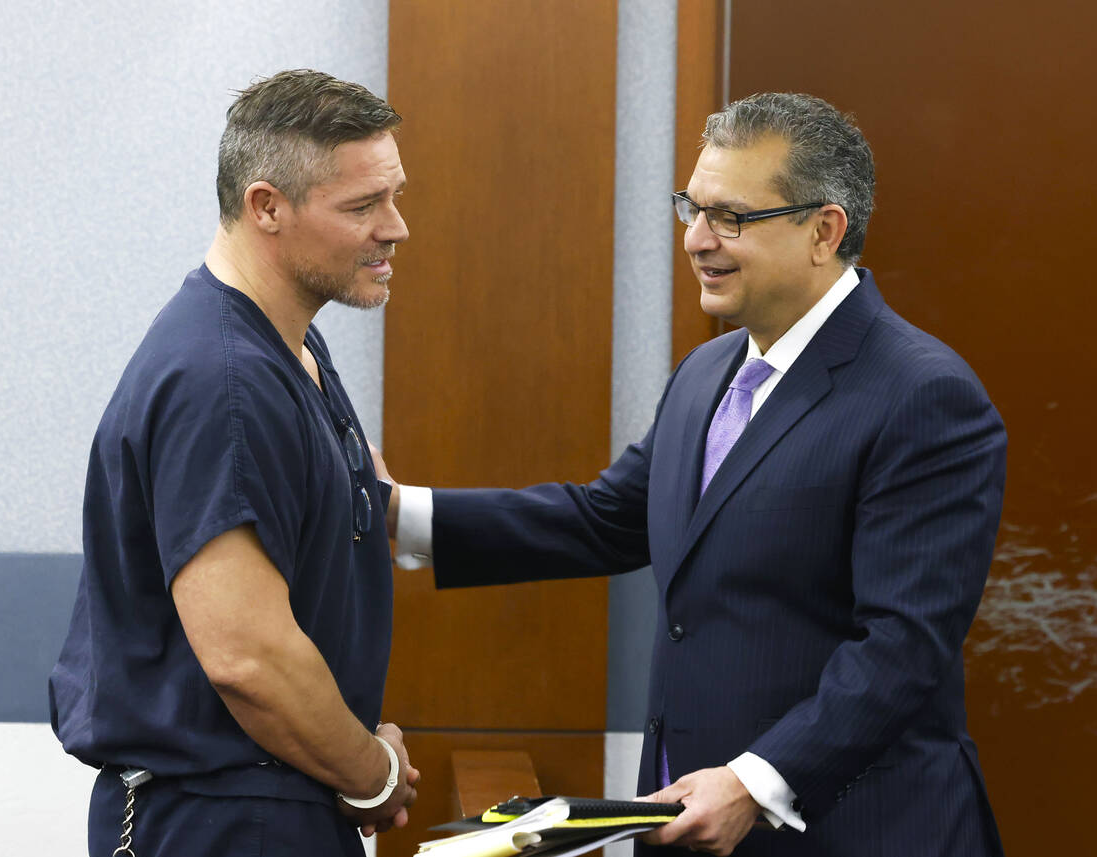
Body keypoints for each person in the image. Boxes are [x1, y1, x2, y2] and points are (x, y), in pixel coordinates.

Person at [384, 93, 1005, 856]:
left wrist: (752, 780)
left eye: (730, 217)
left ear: (825, 230)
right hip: (687, 829)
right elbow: (606, 519)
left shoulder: (924, 395)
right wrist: (395, 514)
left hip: (855, 830)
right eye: (692, 207)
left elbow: (901, 647)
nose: (696, 239)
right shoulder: (708, 369)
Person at [49, 69, 419, 857]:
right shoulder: (223, 380)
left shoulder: (289, 347)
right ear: (266, 207)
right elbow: (249, 659)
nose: (396, 228)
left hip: (276, 803)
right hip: (219, 821)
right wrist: (373, 771)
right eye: (363, 206)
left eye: (394, 195)